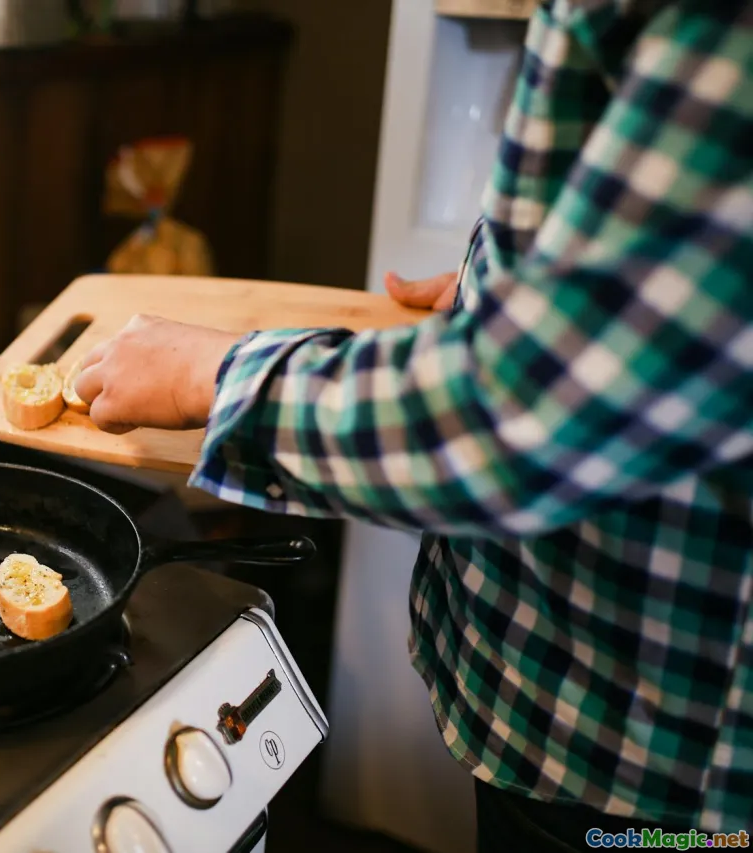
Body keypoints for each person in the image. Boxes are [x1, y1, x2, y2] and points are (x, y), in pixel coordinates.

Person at [73, 2, 753, 851]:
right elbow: (669, 288)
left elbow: (521, 413)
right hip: (564, 701)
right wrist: (511, 291)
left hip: (649, 778)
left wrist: (207, 373)